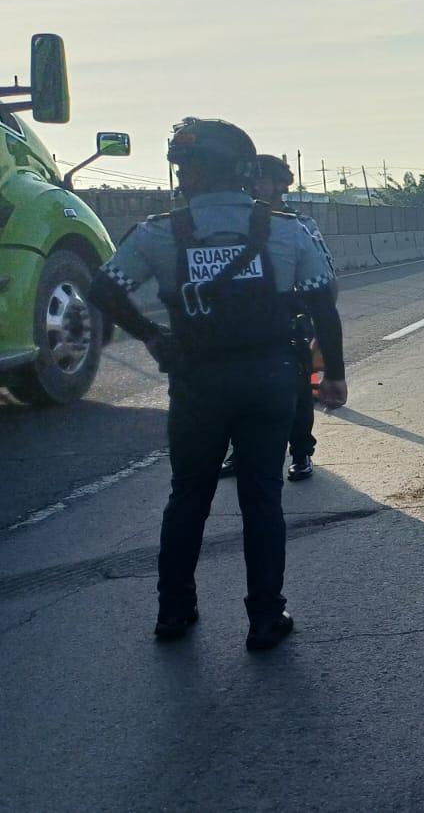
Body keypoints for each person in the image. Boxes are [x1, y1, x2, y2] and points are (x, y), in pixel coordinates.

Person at [86, 117, 347, 651]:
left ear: (190, 173)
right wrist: (332, 376)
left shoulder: (159, 232)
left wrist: (152, 336)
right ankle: (264, 618)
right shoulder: (287, 229)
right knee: (261, 499)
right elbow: (324, 307)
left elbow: (103, 288)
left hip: (197, 381)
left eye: (183, 168)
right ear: (245, 170)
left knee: (188, 497)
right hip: (270, 378)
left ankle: (174, 611)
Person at [220, 154, 328, 482]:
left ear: (282, 184)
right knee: (239, 391)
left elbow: (324, 275)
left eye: (265, 179)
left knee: (297, 391)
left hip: (289, 320)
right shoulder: (235, 224)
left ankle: (300, 453)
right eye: (253, 180)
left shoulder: (299, 225)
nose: (258, 186)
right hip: (242, 323)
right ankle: (241, 451)